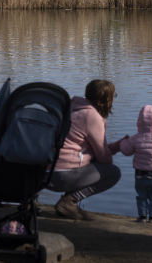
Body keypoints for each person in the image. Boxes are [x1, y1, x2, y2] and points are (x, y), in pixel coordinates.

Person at [47, 80, 125, 221]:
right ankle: (69, 201)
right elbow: (104, 158)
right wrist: (110, 152)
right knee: (113, 172)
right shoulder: (92, 117)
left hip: (46, 174)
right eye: (113, 96)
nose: (113, 100)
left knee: (90, 162)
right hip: (62, 175)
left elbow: (90, 150)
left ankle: (67, 205)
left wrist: (117, 146)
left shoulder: (71, 109)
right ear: (106, 99)